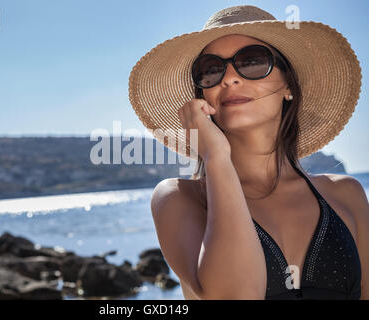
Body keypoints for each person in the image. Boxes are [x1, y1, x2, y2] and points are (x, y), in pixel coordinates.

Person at [128, 5, 368, 299]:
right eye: (212, 69)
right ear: (203, 97)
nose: (229, 78)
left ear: (288, 86)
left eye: (252, 61)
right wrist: (216, 157)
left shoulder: (346, 195)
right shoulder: (179, 199)